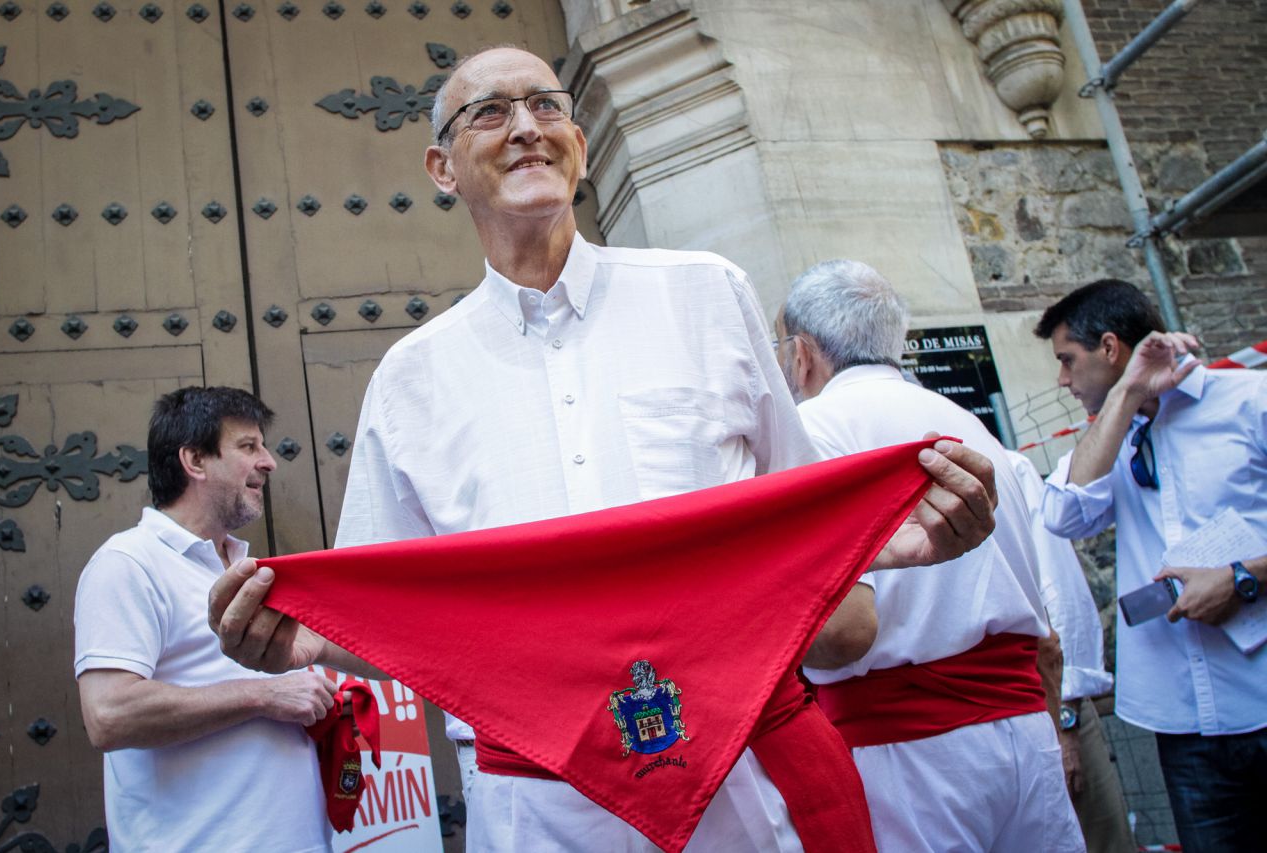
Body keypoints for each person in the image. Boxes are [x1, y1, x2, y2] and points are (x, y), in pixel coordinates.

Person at [207, 46, 1001, 852]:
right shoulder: (410, 379)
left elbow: (836, 604)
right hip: (539, 815)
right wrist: (303, 641)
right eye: (491, 111)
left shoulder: (707, 293)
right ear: (442, 168)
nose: (526, 128)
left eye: (547, 106)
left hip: (744, 788)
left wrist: (883, 552)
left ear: (581, 144)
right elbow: (389, 623)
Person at [777, 259, 1084, 852]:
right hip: (1024, 739)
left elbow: (841, 635)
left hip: (906, 755)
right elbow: (1045, 630)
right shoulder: (973, 428)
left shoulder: (809, 430)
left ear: (803, 353)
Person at [1036, 278, 1267, 853]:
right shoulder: (1117, 434)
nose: (1062, 381)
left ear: (1109, 348)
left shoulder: (1251, 401)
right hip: (1183, 720)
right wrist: (1125, 396)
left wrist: (1244, 577)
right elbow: (1061, 513)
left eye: (1068, 360)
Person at [73, 387, 336, 851]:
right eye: (248, 446)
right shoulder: (128, 562)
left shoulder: (242, 568)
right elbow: (109, 714)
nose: (269, 461)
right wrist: (263, 695)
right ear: (194, 461)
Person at [1007, 449, 1135, 852]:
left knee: (1095, 838)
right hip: (968, 732)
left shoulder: (1007, 466)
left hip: (1047, 706)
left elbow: (1058, 594)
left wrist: (1065, 720)